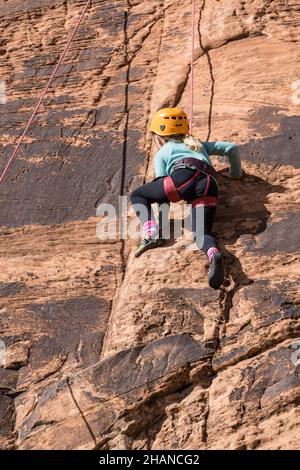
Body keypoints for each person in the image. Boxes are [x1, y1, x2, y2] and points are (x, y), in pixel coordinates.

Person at [130, 108, 242, 289]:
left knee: (138, 195)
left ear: (158, 137)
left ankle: (150, 231)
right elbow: (231, 149)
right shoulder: (197, 144)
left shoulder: (164, 151)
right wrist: (236, 174)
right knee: (202, 234)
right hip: (209, 183)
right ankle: (213, 253)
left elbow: (163, 196)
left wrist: (161, 228)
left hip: (183, 177)